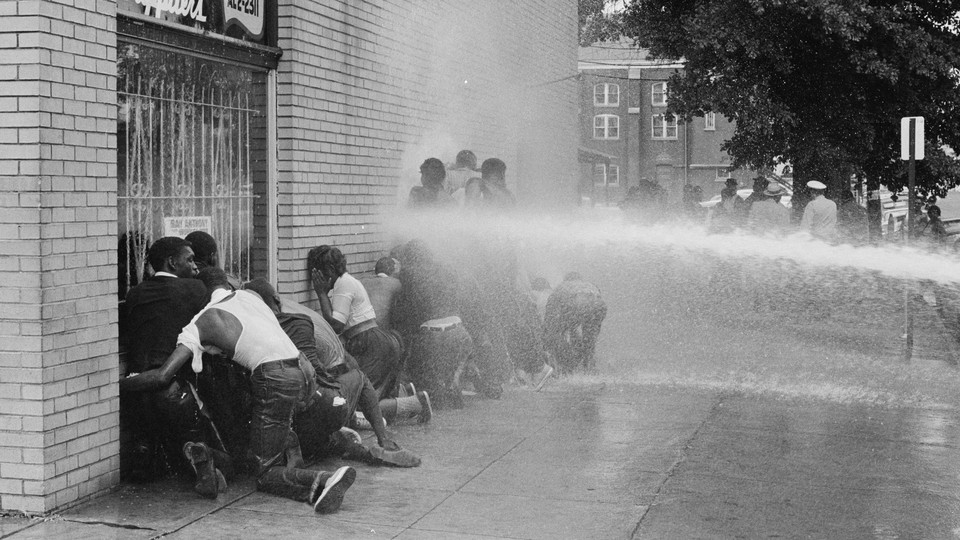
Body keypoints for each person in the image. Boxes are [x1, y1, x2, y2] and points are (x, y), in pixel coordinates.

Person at [120, 267, 357, 513]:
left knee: (265, 473)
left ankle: (326, 479)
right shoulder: (251, 297)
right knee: (272, 425)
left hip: (273, 377)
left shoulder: (201, 322)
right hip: (303, 371)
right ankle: (289, 452)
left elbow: (162, 375)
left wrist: (115, 388)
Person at [241, 278, 426, 468]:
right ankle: (385, 442)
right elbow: (317, 371)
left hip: (282, 422)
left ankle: (346, 442)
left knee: (330, 420)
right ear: (276, 299)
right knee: (357, 381)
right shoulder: (296, 320)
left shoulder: (245, 332)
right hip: (315, 404)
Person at [121, 236, 230, 486]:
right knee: (211, 448)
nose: (195, 267)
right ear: (172, 262)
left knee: (153, 453)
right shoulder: (194, 289)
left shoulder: (135, 293)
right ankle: (206, 460)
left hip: (137, 388)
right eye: (189, 260)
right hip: (175, 387)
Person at [309, 246, 402, 399]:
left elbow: (337, 324)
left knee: (360, 398)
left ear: (331, 269)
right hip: (374, 341)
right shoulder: (346, 281)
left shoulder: (343, 283)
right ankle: (408, 396)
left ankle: (414, 403)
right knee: (367, 396)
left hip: (369, 342)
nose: (318, 279)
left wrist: (321, 293)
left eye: (320, 273)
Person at [393, 240, 476, 408]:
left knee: (422, 377)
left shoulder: (409, 274)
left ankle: (435, 391)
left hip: (433, 335)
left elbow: (404, 312)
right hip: (460, 332)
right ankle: (452, 381)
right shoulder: (446, 270)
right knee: (448, 363)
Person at [542, 272, 607, 374]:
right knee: (589, 340)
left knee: (558, 334)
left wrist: (547, 336)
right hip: (599, 305)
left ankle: (567, 364)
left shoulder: (561, 288)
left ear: (566, 280)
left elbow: (549, 320)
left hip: (576, 304)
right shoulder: (589, 285)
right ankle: (588, 367)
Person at [358, 257, 402, 333]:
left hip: (362, 329)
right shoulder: (396, 284)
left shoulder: (362, 282)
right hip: (383, 331)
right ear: (391, 270)